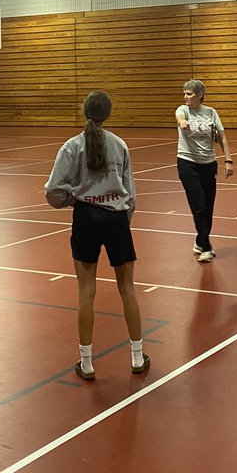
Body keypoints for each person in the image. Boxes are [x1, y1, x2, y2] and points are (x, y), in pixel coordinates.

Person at [45, 90, 148, 381]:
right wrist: (120, 217)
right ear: (109, 113)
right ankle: (138, 355)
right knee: (127, 288)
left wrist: (72, 200)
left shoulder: (72, 146)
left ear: (84, 111)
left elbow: (53, 190)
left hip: (86, 219)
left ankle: (87, 362)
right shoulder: (119, 145)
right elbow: (132, 195)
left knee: (86, 291)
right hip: (116, 219)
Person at [175, 79, 234, 263]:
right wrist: (183, 122)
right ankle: (206, 247)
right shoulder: (183, 110)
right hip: (187, 163)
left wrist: (228, 160)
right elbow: (180, 116)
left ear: (199, 94)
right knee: (199, 203)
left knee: (208, 206)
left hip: (208, 164)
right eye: (184, 93)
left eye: (189, 93)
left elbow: (222, 137)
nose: (186, 97)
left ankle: (200, 240)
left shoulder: (211, 112)